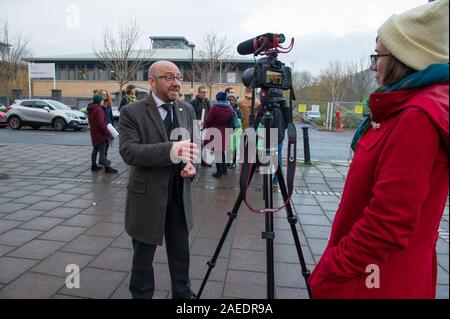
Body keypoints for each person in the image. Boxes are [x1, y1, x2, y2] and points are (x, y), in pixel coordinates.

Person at [308, 0, 449, 299]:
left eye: (378, 55)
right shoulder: (406, 110)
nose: (373, 66)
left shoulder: (416, 117)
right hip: (387, 274)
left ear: (403, 57)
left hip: (376, 281)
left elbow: (387, 223)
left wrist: (333, 269)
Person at [119, 60, 199, 299]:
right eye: (168, 77)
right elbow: (128, 152)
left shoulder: (188, 110)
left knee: (181, 253)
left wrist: (191, 166)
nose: (176, 82)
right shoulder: (131, 112)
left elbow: (196, 148)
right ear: (151, 82)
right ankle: (141, 295)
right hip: (147, 198)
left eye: (178, 77)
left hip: (178, 196)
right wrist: (172, 151)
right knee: (143, 258)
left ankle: (183, 294)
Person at [204, 91, 233, 178]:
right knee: (222, 151)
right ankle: (224, 169)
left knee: (217, 152)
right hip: (226, 131)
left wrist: (207, 127)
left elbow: (208, 120)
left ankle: (219, 172)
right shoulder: (229, 107)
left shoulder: (215, 108)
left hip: (216, 131)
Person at [87, 94, 118, 173]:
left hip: (94, 132)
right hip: (100, 134)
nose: (103, 101)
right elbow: (101, 123)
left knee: (95, 149)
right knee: (102, 151)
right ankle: (107, 167)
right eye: (101, 100)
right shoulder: (99, 110)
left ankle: (93, 165)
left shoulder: (91, 108)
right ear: (98, 101)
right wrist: (108, 134)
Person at [190, 86, 211, 167]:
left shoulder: (207, 102)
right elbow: (191, 114)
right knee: (196, 144)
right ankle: (194, 160)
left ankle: (204, 161)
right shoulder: (193, 102)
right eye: (202, 92)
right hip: (196, 125)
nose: (204, 94)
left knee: (205, 144)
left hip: (205, 126)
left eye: (205, 92)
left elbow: (209, 113)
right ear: (198, 93)